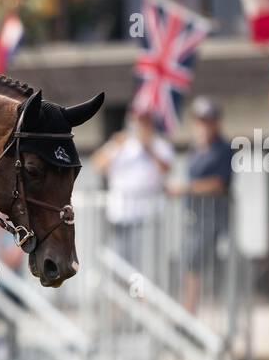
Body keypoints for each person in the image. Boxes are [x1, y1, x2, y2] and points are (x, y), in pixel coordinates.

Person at [168, 96, 233, 313]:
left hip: (212, 219)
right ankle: (189, 313)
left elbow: (219, 183)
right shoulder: (195, 149)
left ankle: (190, 313)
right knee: (189, 264)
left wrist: (186, 188)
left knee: (195, 265)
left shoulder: (223, 149)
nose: (203, 126)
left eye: (208, 121)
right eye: (200, 121)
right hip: (193, 217)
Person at [90, 109, 173, 268]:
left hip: (148, 216)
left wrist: (149, 149)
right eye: (138, 122)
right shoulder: (121, 143)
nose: (141, 127)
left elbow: (166, 168)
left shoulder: (160, 144)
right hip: (120, 215)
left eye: (145, 123)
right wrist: (114, 145)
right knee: (120, 264)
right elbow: (97, 164)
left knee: (145, 265)